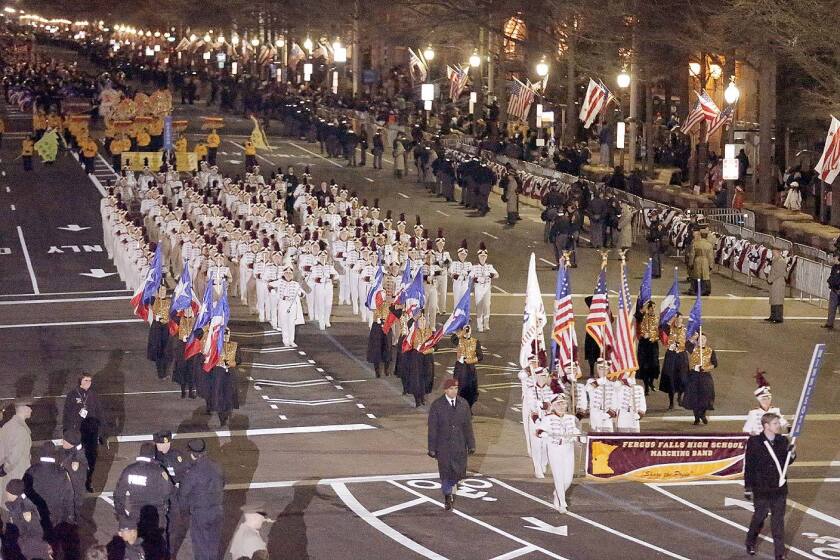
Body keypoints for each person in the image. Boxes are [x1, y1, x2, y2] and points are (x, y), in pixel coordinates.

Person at [744, 413, 796, 559]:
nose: (778, 425)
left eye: (778, 423)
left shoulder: (783, 440)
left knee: (778, 521)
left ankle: (779, 554)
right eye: (775, 423)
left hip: (779, 487)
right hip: (761, 487)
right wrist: (748, 487)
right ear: (766, 426)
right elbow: (749, 465)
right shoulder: (755, 442)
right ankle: (750, 541)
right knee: (760, 516)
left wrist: (792, 454)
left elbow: (787, 462)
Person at [114, 442, 172, 560]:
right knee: (159, 550)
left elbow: (118, 496)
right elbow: (168, 491)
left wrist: (123, 516)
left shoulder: (129, 470)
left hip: (135, 516)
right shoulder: (158, 470)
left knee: (135, 549)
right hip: (156, 517)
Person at [427, 378, 476, 511]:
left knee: (458, 472)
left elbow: (467, 426)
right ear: (445, 390)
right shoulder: (437, 405)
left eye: (455, 388)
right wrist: (431, 448)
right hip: (443, 446)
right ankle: (447, 496)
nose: (454, 391)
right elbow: (432, 428)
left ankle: (451, 486)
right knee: (446, 473)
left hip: (459, 445)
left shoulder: (463, 404)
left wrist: (471, 444)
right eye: (451, 389)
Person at [535, 394, 582, 512]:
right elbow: (538, 431)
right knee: (559, 476)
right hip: (555, 449)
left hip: (568, 449)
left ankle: (557, 493)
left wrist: (579, 437)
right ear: (553, 406)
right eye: (558, 404)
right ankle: (562, 502)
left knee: (568, 479)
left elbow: (576, 431)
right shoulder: (547, 419)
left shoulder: (571, 418)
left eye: (563, 403)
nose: (561, 406)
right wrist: (544, 434)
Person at [179, 439, 224, 560]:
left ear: (193, 454)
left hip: (200, 513)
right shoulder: (216, 466)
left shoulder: (193, 472)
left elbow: (183, 494)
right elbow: (223, 483)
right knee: (213, 546)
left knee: (200, 547)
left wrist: (184, 512)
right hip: (217, 510)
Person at [62, 372, 108, 492]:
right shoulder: (72, 395)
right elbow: (66, 414)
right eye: (86, 380)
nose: (88, 383)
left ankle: (87, 481)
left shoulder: (93, 395)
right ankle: (70, 483)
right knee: (72, 458)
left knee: (91, 458)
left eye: (90, 381)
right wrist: (66, 432)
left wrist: (103, 433)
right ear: (80, 381)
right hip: (76, 433)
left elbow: (100, 413)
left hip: (91, 433)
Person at [153, 430, 192, 559]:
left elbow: (185, 476)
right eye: (161, 444)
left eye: (167, 443)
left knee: (172, 531)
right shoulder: (152, 457)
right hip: (157, 501)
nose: (165, 446)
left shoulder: (177, 457)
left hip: (173, 500)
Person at [23, 442, 75, 535]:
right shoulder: (61, 472)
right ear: (54, 454)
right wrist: (70, 516)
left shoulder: (31, 471)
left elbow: (24, 494)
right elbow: (69, 496)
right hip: (56, 515)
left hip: (37, 514)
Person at [5, 478, 51, 560]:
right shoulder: (16, 504)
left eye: (8, 492)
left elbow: (36, 533)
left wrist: (23, 548)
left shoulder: (25, 509)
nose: (6, 494)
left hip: (27, 549)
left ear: (14, 494)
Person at [207, 328, 241, 427]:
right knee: (220, 395)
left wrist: (233, 363)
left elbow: (239, 359)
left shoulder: (235, 345)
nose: (226, 336)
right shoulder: (216, 345)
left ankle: (227, 413)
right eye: (224, 334)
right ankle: (222, 417)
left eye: (227, 334)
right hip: (218, 373)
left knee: (229, 395)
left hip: (230, 373)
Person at [682, 334, 718, 425]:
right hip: (694, 376)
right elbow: (686, 344)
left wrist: (705, 368)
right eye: (700, 339)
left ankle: (703, 414)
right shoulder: (693, 349)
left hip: (705, 376)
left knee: (706, 396)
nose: (702, 341)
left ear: (706, 340)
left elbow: (715, 364)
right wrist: (694, 337)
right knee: (694, 397)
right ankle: (696, 417)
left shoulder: (710, 351)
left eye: (704, 339)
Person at [0, 401, 32, 500]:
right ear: (24, 409)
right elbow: (15, 456)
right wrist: (5, 469)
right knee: (16, 502)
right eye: (30, 408)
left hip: (7, 472)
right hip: (17, 472)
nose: (31, 410)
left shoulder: (7, 425)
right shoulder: (21, 429)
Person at [57, 430, 88, 520]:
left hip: (72, 497)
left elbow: (76, 483)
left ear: (71, 443)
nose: (62, 441)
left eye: (64, 440)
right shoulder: (67, 451)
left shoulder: (76, 460)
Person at [659, 314, 688, 410]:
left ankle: (679, 397)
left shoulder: (686, 330)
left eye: (681, 319)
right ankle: (671, 401)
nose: (679, 321)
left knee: (683, 378)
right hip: (671, 356)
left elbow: (691, 340)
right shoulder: (669, 329)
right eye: (677, 319)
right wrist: (672, 318)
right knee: (670, 378)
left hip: (681, 355)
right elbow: (662, 326)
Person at [451, 325, 482, 409]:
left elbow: (480, 357)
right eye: (466, 329)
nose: (467, 331)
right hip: (460, 368)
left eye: (469, 329)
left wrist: (470, 360)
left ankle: (469, 408)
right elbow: (453, 339)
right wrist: (462, 332)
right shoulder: (459, 340)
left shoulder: (475, 341)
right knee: (459, 388)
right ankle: (458, 408)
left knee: (471, 389)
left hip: (470, 368)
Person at [469, 243, 499, 332]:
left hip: (486, 288)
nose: (483, 257)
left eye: (484, 256)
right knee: (479, 306)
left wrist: (490, 274)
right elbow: (470, 277)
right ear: (478, 256)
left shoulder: (489, 267)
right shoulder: (474, 267)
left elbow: (497, 275)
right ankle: (479, 325)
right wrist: (477, 279)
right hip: (478, 288)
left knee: (487, 305)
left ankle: (486, 324)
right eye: (481, 256)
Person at [583, 359, 617, 432]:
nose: (603, 371)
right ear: (598, 369)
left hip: (607, 416)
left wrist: (608, 414)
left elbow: (615, 401)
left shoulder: (611, 384)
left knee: (608, 439)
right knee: (595, 438)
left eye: (606, 369)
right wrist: (599, 381)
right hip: (595, 414)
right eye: (601, 369)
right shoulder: (591, 381)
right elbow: (587, 389)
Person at [635, 300, 660, 394]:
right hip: (644, 345)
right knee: (645, 366)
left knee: (654, 365)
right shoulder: (642, 317)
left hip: (653, 344)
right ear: (648, 309)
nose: (653, 309)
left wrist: (651, 336)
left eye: (654, 307)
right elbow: (637, 315)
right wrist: (644, 307)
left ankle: (651, 382)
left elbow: (659, 332)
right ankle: (646, 386)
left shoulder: (657, 318)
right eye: (651, 307)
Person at [147, 285, 172, 379]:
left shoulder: (169, 301)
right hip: (157, 328)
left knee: (166, 350)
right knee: (159, 351)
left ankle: (165, 371)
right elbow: (146, 300)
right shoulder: (154, 300)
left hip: (166, 327)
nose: (163, 292)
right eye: (161, 290)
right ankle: (161, 373)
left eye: (164, 290)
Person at [687, 230, 713, 296]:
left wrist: (690, 263)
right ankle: (706, 290)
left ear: (700, 235)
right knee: (705, 276)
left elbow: (692, 254)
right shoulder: (709, 245)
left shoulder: (695, 243)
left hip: (697, 260)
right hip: (705, 261)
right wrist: (711, 265)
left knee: (696, 275)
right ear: (706, 236)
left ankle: (694, 289)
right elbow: (711, 257)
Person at [765, 251, 787, 324]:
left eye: (774, 251)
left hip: (778, 282)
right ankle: (773, 316)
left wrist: (770, 279)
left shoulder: (781, 261)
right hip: (775, 282)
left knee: (777, 300)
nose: (772, 252)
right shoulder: (776, 259)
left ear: (778, 252)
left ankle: (778, 317)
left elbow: (778, 273)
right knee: (774, 299)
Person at [450, 241, 472, 306]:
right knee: (457, 300)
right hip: (457, 283)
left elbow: (472, 272)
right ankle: (456, 315)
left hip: (465, 284)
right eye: (461, 254)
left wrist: (466, 273)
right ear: (458, 254)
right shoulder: (454, 263)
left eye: (464, 255)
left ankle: (464, 315)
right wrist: (459, 276)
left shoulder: (469, 264)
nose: (463, 256)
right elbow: (451, 273)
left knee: (465, 301)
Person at [823, 255, 840, 329]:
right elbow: (831, 276)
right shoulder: (834, 267)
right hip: (834, 290)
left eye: (835, 258)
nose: (833, 259)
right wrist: (830, 283)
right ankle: (829, 323)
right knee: (831, 308)